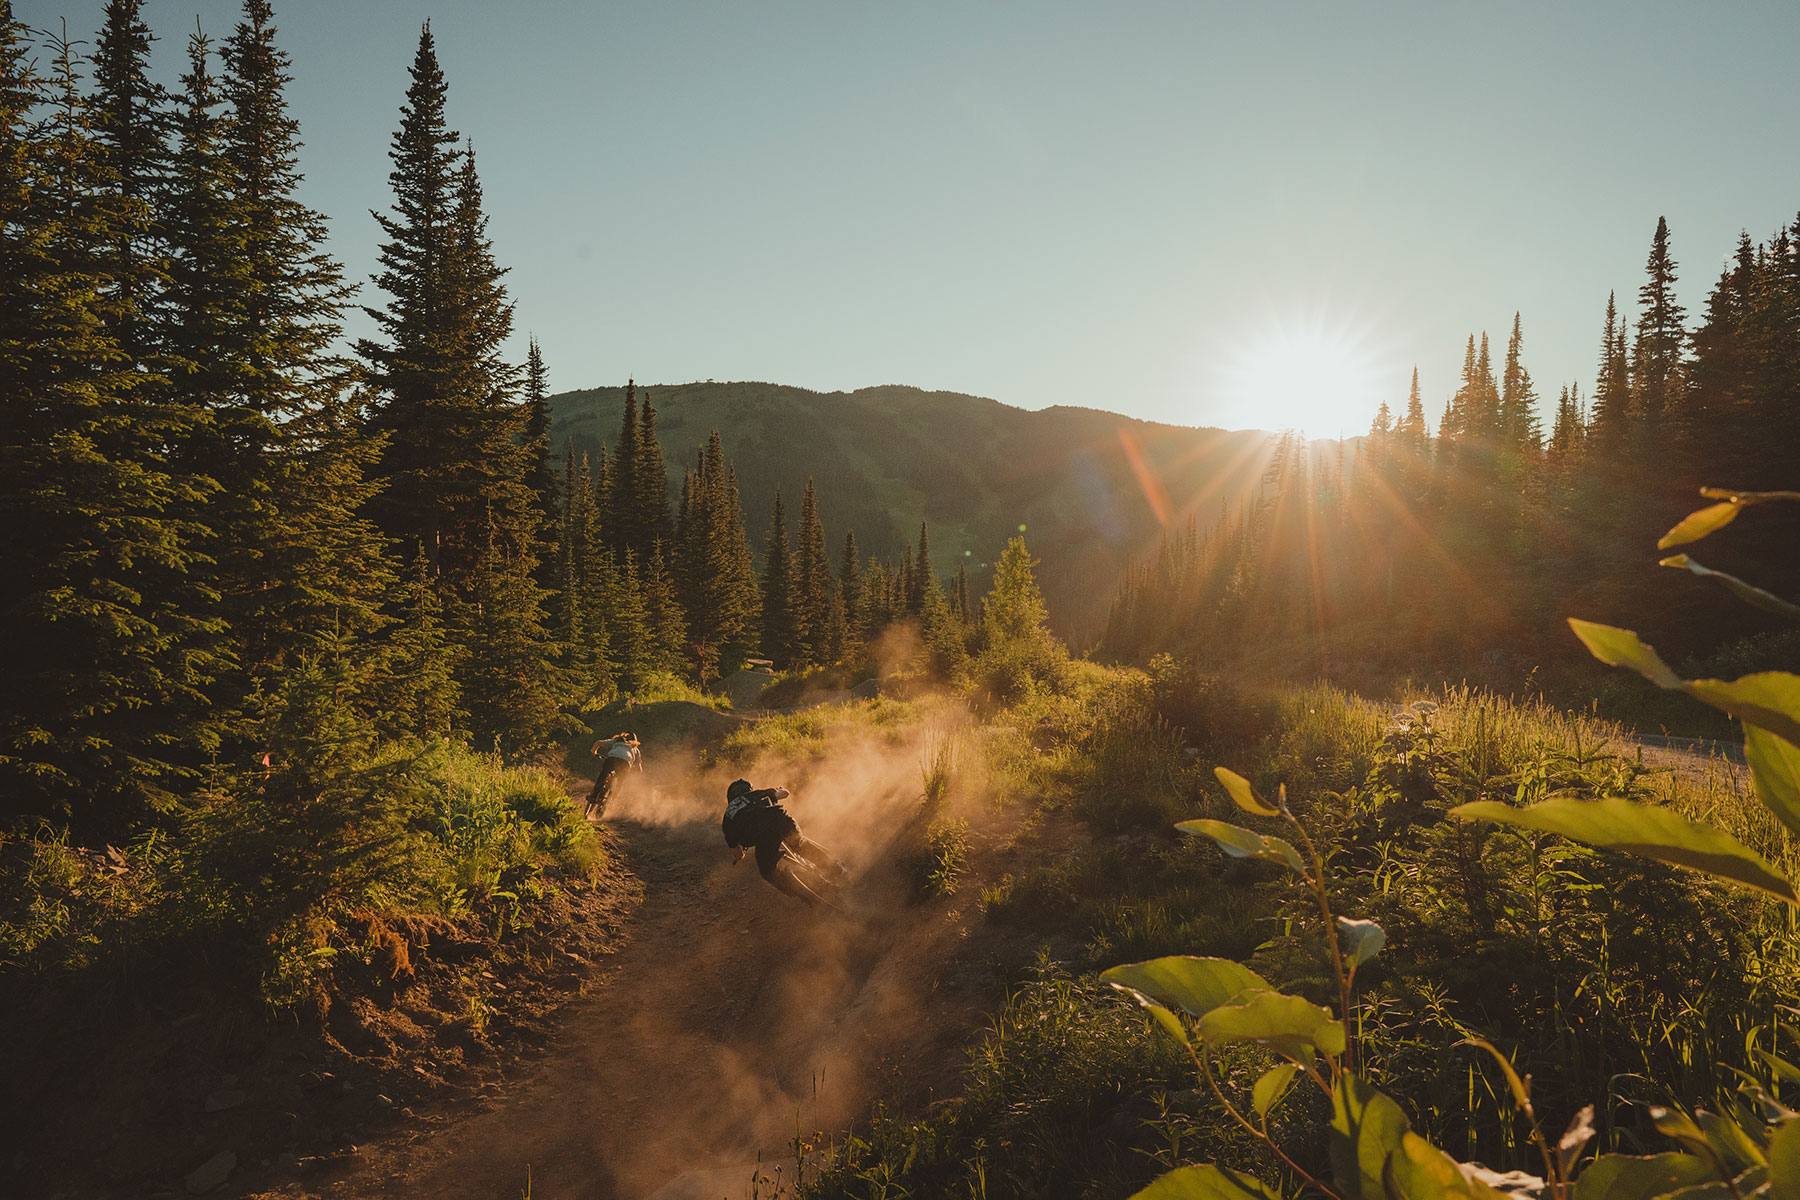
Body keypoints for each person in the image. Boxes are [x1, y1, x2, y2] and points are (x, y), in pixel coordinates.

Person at [722, 778, 847, 905]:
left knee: (768, 872)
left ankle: (804, 895)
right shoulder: (755, 795)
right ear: (747, 790)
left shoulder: (727, 819)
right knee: (800, 845)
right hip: (781, 820)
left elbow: (737, 854)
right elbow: (785, 794)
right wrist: (779, 790)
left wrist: (741, 854)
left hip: (764, 838)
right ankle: (836, 868)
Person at [586, 732, 641, 818]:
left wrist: (594, 752)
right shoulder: (635, 749)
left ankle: (593, 797)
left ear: (623, 737)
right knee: (619, 783)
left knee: (603, 776)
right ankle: (612, 800)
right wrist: (631, 770)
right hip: (625, 764)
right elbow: (639, 769)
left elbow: (597, 743)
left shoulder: (617, 741)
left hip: (612, 759)